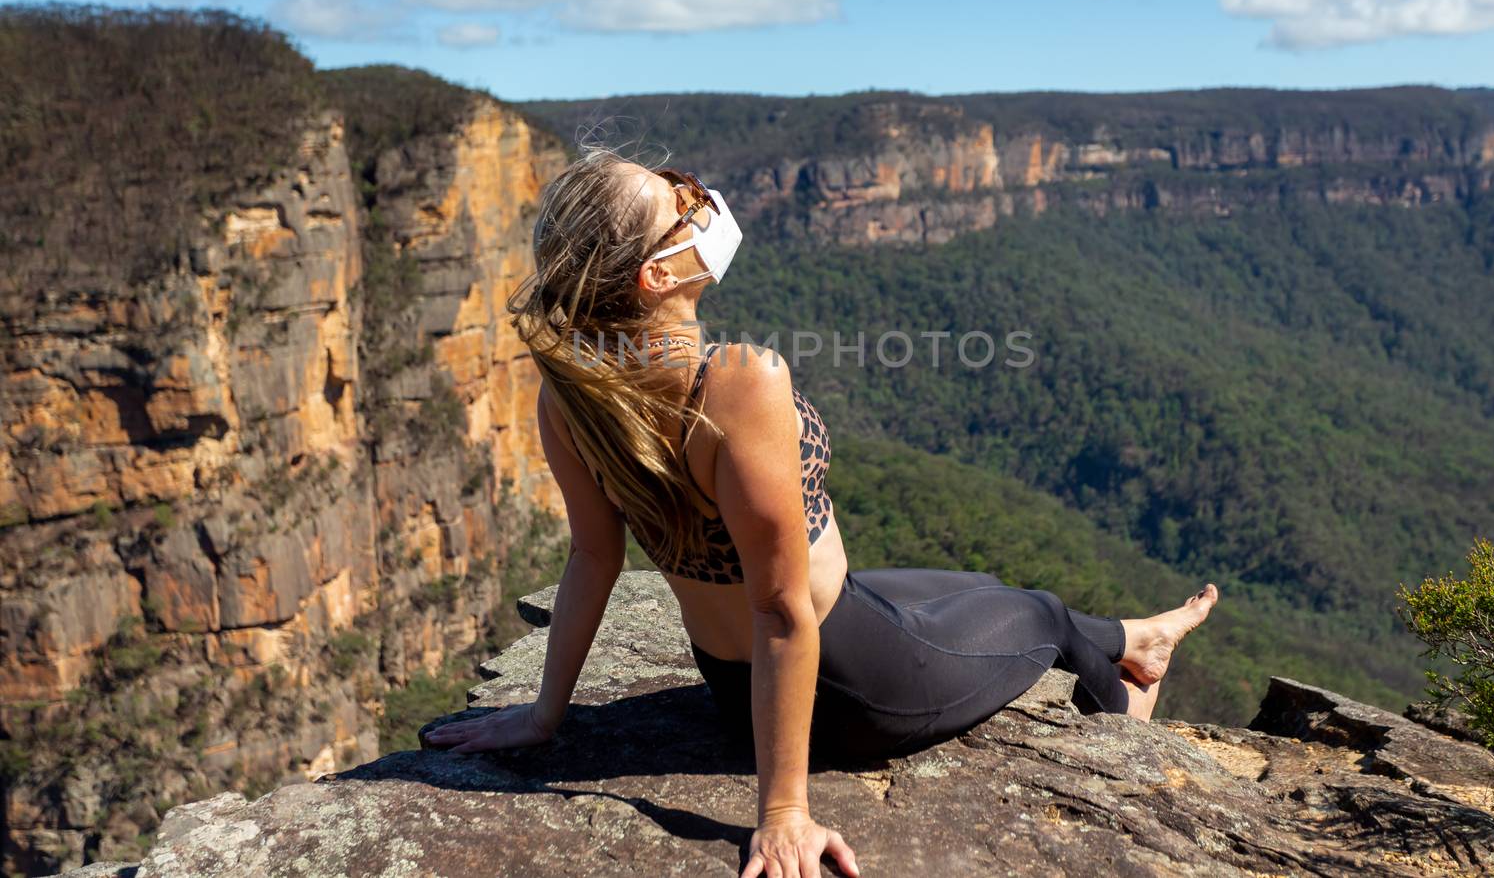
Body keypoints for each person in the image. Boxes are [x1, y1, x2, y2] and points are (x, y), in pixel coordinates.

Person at [421, 145, 1220, 878]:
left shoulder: (573, 394)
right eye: (683, 203)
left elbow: (594, 557)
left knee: (970, 581)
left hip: (736, 684)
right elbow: (777, 607)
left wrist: (543, 716)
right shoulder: (738, 382)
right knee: (1038, 612)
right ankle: (1128, 706)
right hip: (847, 678)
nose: (700, 203)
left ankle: (1134, 636)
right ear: (656, 277)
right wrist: (783, 813)